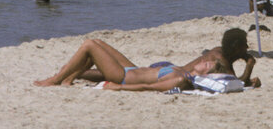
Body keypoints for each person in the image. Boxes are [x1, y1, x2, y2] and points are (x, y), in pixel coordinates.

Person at [34, 28, 259, 90]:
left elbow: (232, 82)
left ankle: (68, 75)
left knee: (94, 46)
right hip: (126, 76)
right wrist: (248, 65)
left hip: (133, 74)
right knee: (92, 44)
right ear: (236, 47)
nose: (248, 47)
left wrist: (248, 76)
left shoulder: (216, 51)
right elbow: (235, 82)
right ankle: (57, 79)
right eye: (244, 45)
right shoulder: (222, 62)